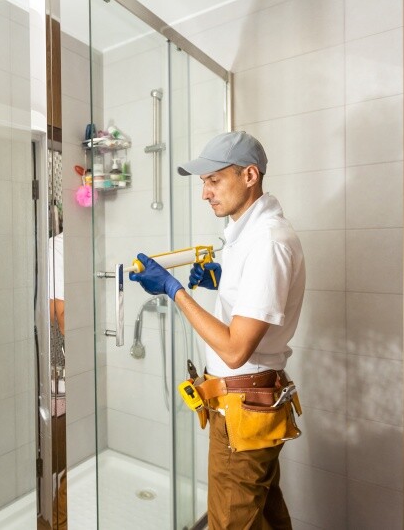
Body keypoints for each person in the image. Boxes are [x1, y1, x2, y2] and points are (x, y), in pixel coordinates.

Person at [129, 131, 305, 530]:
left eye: (213, 180)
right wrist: (223, 281)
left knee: (230, 523)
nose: (205, 193)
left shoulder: (268, 241)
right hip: (248, 405)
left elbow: (235, 349)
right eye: (202, 183)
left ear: (249, 176)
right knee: (266, 518)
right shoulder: (252, 235)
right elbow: (255, 306)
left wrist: (173, 290)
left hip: (242, 409)